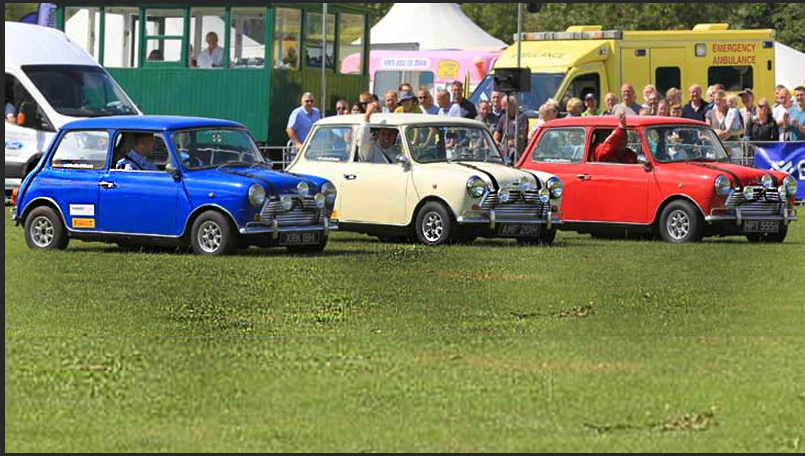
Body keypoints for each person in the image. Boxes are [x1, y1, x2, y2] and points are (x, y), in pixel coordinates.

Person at [493, 95, 528, 162]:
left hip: (515, 150)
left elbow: (522, 137)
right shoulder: (503, 117)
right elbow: (497, 133)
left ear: (512, 105)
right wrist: (496, 141)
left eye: (504, 106)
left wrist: (512, 142)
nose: (502, 109)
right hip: (503, 148)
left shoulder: (522, 118)